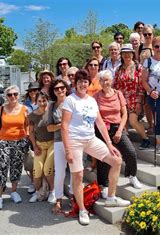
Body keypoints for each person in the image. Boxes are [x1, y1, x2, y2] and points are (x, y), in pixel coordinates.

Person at [61, 69, 130, 225]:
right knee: (78, 176)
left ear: (89, 83)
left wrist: (109, 144)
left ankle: (111, 197)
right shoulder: (70, 100)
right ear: (75, 83)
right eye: (80, 81)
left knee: (116, 160)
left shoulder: (92, 100)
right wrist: (67, 150)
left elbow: (99, 123)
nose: (83, 84)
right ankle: (82, 209)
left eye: (85, 81)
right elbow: (64, 126)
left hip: (91, 139)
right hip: (74, 141)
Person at [95, 70, 142, 196]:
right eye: (102, 80)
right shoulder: (96, 97)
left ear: (112, 80)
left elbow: (125, 113)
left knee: (130, 152)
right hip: (102, 129)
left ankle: (131, 175)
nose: (105, 82)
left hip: (118, 127)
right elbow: (96, 117)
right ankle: (104, 185)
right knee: (104, 157)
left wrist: (120, 130)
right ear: (99, 82)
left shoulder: (118, 94)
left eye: (107, 80)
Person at [0, 85, 30, 210]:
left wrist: (27, 137)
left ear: (19, 95)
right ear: (6, 96)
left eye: (15, 94)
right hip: (3, 141)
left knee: (16, 166)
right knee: (2, 167)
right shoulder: (1, 109)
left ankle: (13, 191)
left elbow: (27, 125)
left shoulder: (24, 109)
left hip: (19, 141)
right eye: (10, 95)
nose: (13, 97)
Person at [114, 44, 151, 149]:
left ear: (132, 54)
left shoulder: (138, 67)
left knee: (133, 120)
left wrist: (139, 102)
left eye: (129, 53)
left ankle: (146, 139)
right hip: (121, 100)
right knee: (123, 122)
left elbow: (141, 86)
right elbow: (116, 85)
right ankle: (126, 144)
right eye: (124, 53)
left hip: (135, 99)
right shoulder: (118, 69)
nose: (126, 55)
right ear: (121, 55)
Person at [47, 79, 72, 213]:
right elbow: (49, 128)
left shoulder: (73, 100)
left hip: (73, 140)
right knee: (60, 172)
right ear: (53, 91)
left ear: (66, 88)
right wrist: (62, 124)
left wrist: (64, 124)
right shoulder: (52, 106)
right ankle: (58, 199)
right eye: (56, 89)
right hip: (59, 141)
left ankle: (73, 197)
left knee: (74, 171)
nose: (60, 90)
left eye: (62, 87)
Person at [28, 91, 56, 203]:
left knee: (47, 169)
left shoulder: (51, 112)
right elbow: (31, 132)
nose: (42, 103)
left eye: (44, 100)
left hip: (52, 143)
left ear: (47, 101)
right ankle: (38, 191)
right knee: (37, 171)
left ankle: (52, 191)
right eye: (39, 101)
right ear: (36, 102)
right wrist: (34, 146)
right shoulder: (32, 116)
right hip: (39, 144)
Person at [22, 81, 40, 194]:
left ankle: (41, 183)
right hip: (28, 134)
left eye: (35, 90)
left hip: (42, 134)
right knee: (30, 160)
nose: (33, 92)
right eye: (31, 91)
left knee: (40, 159)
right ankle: (33, 182)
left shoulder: (42, 102)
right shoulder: (24, 105)